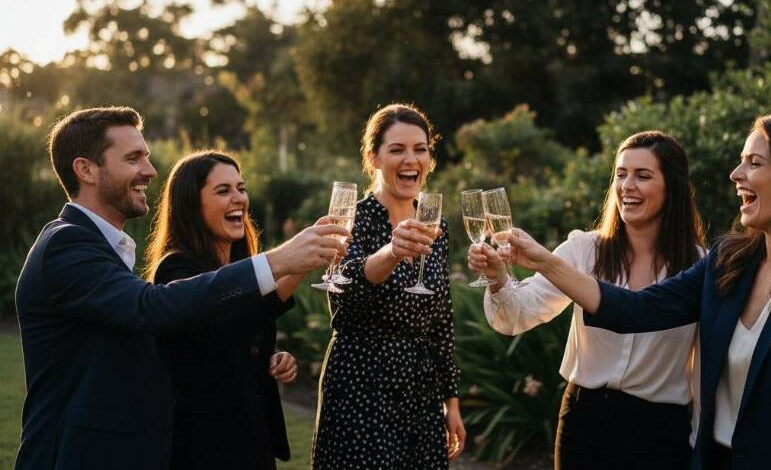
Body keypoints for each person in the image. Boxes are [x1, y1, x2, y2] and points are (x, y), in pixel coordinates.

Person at [502, 114, 771, 470]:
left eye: (754, 163)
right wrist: (544, 261)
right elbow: (638, 309)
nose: (736, 174)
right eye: (740, 161)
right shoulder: (727, 262)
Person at [14, 107, 349, 470]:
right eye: (133, 158)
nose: (150, 170)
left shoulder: (101, 246)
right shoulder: (67, 244)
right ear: (86, 170)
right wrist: (278, 260)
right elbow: (152, 307)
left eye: (147, 156)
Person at [469, 131, 705, 470]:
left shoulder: (699, 266)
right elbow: (519, 315)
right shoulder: (584, 250)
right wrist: (496, 278)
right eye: (621, 174)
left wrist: (698, 440)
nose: (627, 186)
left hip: (660, 431)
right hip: (585, 422)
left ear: (673, 187)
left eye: (643, 175)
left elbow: (703, 366)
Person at [311, 103, 465, 470]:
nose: (410, 159)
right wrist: (393, 252)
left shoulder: (435, 226)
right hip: (362, 380)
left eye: (420, 149)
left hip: (420, 387)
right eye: (397, 149)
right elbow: (344, 288)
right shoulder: (352, 217)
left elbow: (440, 319)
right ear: (373, 158)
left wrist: (452, 400)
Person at [145, 151, 298, 470]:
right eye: (223, 190)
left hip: (252, 439)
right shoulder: (176, 270)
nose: (238, 199)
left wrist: (272, 357)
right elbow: (218, 331)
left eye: (241, 188)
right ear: (192, 204)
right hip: (206, 446)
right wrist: (298, 266)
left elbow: (242, 336)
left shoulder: (239, 268)